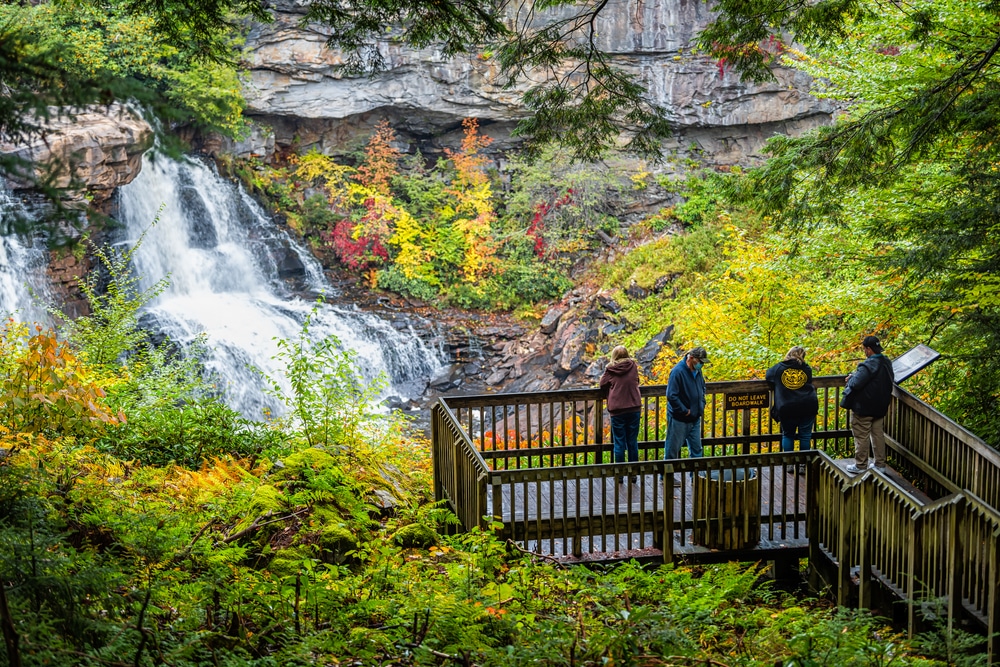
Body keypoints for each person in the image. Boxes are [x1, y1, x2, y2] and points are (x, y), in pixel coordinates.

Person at [841, 335, 895, 474]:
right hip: (880, 406)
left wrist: (851, 378)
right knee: (877, 435)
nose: (864, 351)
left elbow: (856, 383)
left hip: (864, 407)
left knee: (861, 436)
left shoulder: (868, 365)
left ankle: (860, 465)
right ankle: (880, 465)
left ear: (869, 349)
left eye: (864, 349)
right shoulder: (886, 362)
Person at [766, 345, 819, 473]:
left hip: (787, 407)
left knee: (788, 435)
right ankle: (803, 465)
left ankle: (789, 463)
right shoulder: (806, 369)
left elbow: (768, 376)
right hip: (807, 405)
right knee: (805, 436)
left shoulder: (779, 368)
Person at [600, 346, 642, 484]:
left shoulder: (610, 369)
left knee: (619, 443)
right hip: (634, 408)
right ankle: (633, 473)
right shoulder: (633, 366)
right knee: (632, 442)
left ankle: (619, 474)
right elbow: (638, 381)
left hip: (618, 410)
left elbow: (602, 384)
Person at [664, 347, 708, 459]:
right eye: (700, 362)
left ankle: (696, 476)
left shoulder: (698, 371)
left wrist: (701, 403)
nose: (701, 365)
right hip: (679, 418)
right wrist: (684, 411)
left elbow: (702, 387)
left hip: (695, 417)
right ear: (691, 358)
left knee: (697, 450)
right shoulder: (677, 371)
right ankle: (665, 476)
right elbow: (671, 395)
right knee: (672, 450)